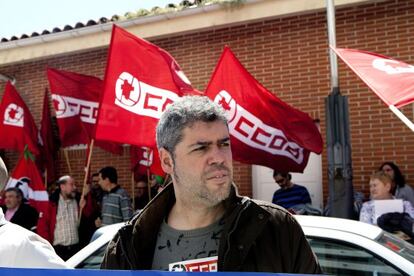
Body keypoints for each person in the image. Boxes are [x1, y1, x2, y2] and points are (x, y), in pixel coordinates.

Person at [101, 96, 321, 273]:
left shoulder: (276, 228)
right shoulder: (128, 244)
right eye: (201, 148)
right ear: (167, 161)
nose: (219, 157)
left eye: (224, 144)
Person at [0, 157, 68, 268]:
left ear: (19, 198)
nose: (7, 200)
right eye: (6, 197)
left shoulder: (24, 245)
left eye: (11, 197)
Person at [37, 175, 81, 261]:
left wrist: (87, 196)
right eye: (71, 184)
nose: (74, 187)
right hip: (58, 250)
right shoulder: (51, 204)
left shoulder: (78, 200)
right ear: (62, 186)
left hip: (76, 248)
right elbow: (42, 228)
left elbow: (87, 215)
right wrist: (48, 248)